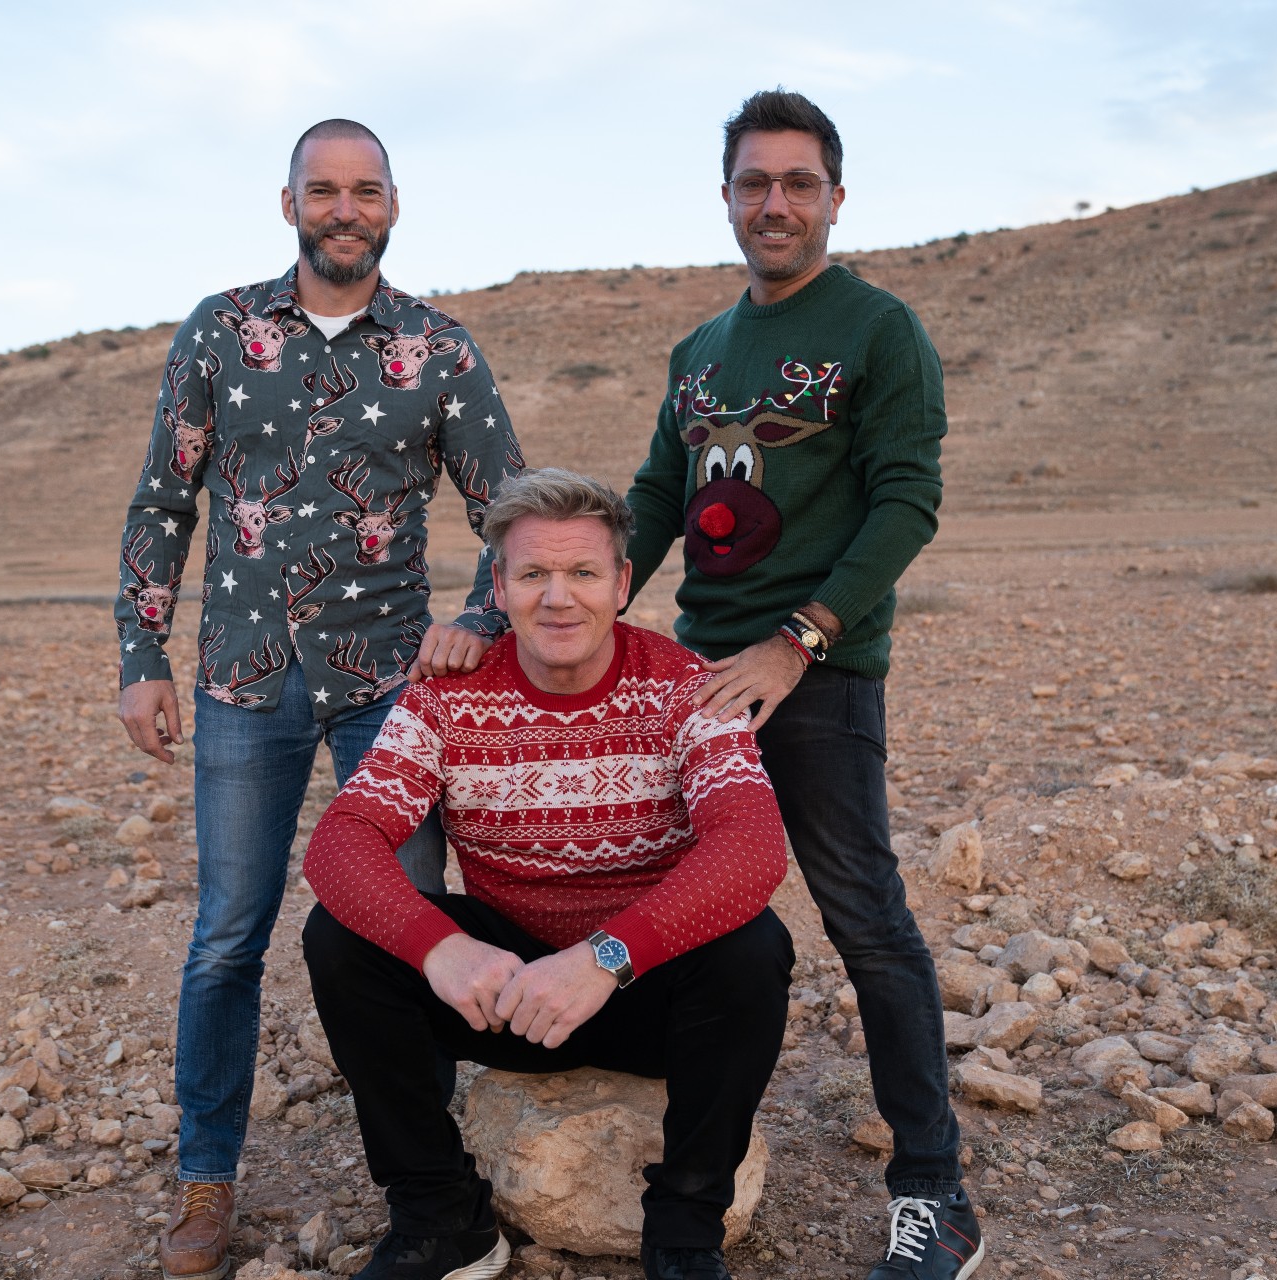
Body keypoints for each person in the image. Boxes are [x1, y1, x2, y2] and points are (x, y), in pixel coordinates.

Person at [112, 118, 523, 1280]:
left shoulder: (441, 350)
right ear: (287, 201)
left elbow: (517, 512)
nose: (345, 208)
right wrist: (139, 654)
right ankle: (206, 1175)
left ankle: (431, 1188)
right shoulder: (220, 330)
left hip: (394, 686)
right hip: (244, 678)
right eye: (323, 190)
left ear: (394, 205)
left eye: (366, 191)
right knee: (227, 934)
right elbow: (161, 505)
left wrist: (480, 619)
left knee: (403, 925)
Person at [623, 90, 983, 1280]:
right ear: (725, 195)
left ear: (836, 194)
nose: (774, 203)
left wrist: (799, 640)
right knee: (682, 919)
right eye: (752, 183)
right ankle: (679, 1175)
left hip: (815, 676)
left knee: (865, 919)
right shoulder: (701, 352)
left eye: (798, 182)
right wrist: (565, 604)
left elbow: (906, 503)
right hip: (695, 676)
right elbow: (660, 503)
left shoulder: (879, 330)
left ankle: (934, 1190)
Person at [301, 469, 795, 1280]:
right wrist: (440, 949)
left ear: (623, 583)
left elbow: (751, 847)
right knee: (340, 938)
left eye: (583, 573)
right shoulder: (444, 703)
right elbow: (343, 839)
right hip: (511, 994)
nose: (558, 598)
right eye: (533, 574)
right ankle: (441, 1217)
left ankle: (683, 1232)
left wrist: (606, 957)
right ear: (499, 586)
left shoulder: (686, 687)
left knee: (753, 946)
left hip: (647, 992)